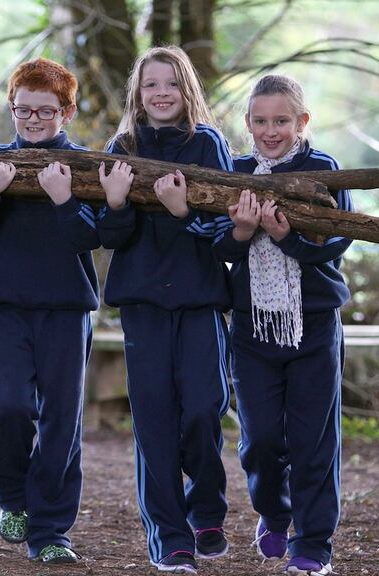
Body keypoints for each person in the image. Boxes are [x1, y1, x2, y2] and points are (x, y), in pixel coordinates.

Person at [97, 45, 233, 574]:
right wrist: (114, 203)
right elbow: (110, 236)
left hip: (199, 300)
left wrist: (182, 213)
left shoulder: (208, 145)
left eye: (171, 84)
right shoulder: (121, 145)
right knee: (154, 422)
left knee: (202, 409)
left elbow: (224, 233)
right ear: (137, 91)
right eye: (150, 84)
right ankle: (169, 538)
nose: (160, 93)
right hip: (143, 304)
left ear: (187, 91)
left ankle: (207, 510)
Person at [0, 58, 99, 564]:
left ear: (66, 111)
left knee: (61, 419)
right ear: (12, 108)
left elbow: (93, 235)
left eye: (45, 110)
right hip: (9, 306)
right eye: (23, 110)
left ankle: (51, 531)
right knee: (12, 404)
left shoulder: (84, 165)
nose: (33, 119)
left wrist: (64, 200)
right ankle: (12, 497)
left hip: (67, 308)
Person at [214, 74, 353, 576]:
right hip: (252, 326)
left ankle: (314, 543)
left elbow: (338, 242)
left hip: (313, 323)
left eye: (281, 120)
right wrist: (244, 231)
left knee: (313, 438)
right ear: (247, 123)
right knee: (263, 439)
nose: (270, 130)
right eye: (260, 121)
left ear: (301, 122)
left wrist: (287, 237)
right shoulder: (237, 170)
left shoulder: (324, 170)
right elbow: (217, 247)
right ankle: (274, 512)